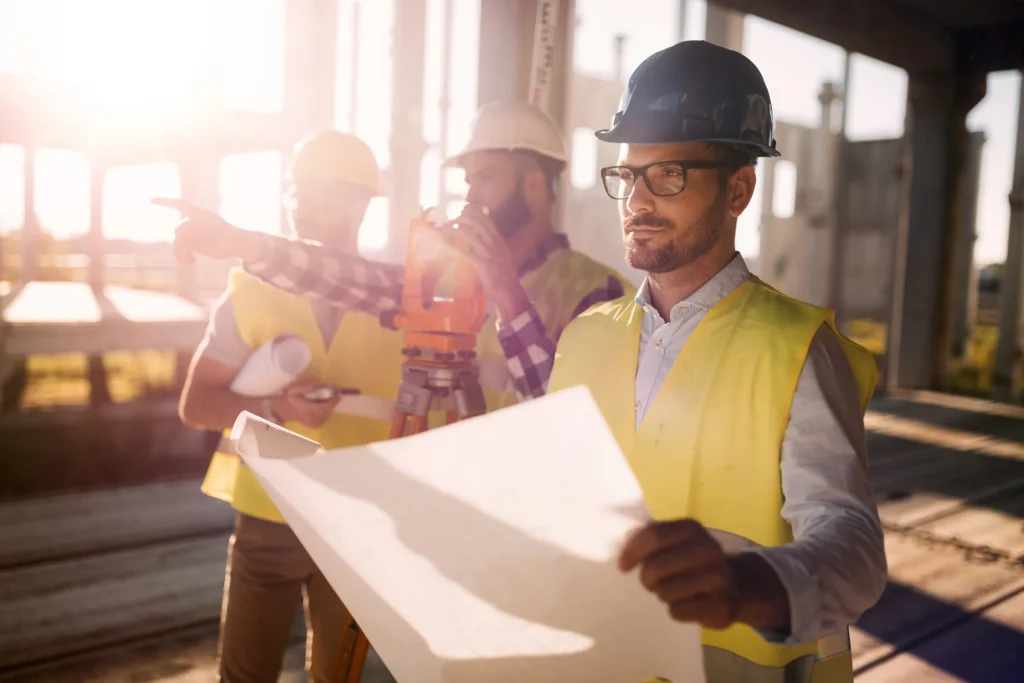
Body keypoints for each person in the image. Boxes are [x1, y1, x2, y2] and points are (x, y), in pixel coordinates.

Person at [546, 41, 887, 682]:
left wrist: (746, 584)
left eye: (668, 175)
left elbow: (854, 548)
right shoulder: (585, 338)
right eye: (627, 176)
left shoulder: (796, 348)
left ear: (738, 189)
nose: (637, 202)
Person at [164, 101, 636, 409]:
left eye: (485, 178)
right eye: (466, 180)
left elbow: (582, 414)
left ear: (534, 185)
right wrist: (244, 244)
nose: (469, 196)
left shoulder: (597, 291)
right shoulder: (453, 278)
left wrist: (507, 293)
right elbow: (352, 279)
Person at [170, 131, 410, 683]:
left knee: (337, 678)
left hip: (359, 519)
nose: (303, 207)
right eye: (298, 194)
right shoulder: (249, 292)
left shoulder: (398, 298)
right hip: (266, 515)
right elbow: (196, 404)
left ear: (362, 202)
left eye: (322, 193)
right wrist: (277, 407)